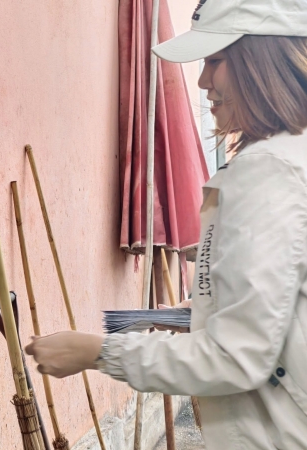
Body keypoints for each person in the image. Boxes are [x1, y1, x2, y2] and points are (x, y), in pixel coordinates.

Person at [25, 0, 307, 448]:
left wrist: (97, 352)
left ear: (262, 61)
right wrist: (207, 309)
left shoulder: (269, 170)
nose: (202, 81)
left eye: (216, 61)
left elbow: (237, 356)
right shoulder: (291, 158)